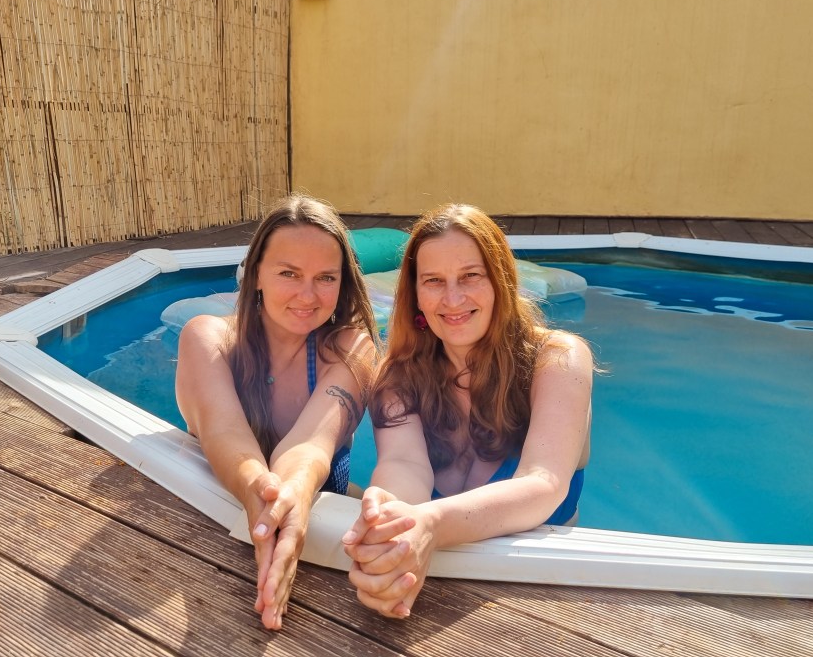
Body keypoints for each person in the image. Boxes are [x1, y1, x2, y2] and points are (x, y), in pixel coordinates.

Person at [341, 204, 592, 619]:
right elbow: (403, 464)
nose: (453, 298)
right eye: (434, 281)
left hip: (539, 598)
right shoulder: (398, 376)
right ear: (416, 295)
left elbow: (543, 482)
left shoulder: (557, 359)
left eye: (470, 276)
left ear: (500, 280)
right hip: (432, 591)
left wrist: (430, 525)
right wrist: (392, 528)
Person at [176, 194, 378, 630]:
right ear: (256, 275)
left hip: (326, 548)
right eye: (289, 273)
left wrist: (293, 496)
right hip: (200, 541)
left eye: (326, 278)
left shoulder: (350, 349)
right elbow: (224, 431)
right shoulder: (209, 340)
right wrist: (262, 495)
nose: (308, 295)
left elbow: (310, 446)